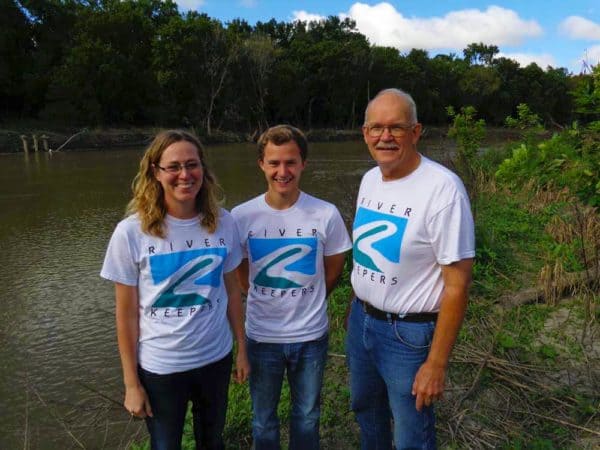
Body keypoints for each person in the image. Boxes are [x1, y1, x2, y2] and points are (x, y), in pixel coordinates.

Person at [100, 130, 249, 450]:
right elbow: (125, 316)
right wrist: (131, 383)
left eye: (192, 164)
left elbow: (233, 291)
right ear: (155, 171)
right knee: (165, 445)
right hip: (161, 367)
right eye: (174, 166)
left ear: (203, 170)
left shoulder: (224, 222)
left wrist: (242, 347)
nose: (185, 174)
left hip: (215, 358)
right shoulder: (131, 233)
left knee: (213, 441)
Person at [346, 88, 475, 450]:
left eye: (396, 128)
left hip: (409, 335)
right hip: (362, 323)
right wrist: (355, 307)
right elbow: (366, 257)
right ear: (365, 133)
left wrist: (436, 363)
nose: (384, 136)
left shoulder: (442, 190)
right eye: (376, 128)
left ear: (416, 132)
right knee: (366, 411)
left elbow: (457, 285)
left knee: (410, 434)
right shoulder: (369, 179)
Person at [231, 125, 352, 450]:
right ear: (261, 164)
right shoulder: (241, 216)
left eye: (290, 162)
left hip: (310, 336)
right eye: (274, 163)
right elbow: (240, 271)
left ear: (303, 164)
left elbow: (334, 264)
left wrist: (313, 295)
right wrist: (253, 291)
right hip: (262, 337)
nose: (282, 172)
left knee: (308, 415)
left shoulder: (325, 213)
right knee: (263, 420)